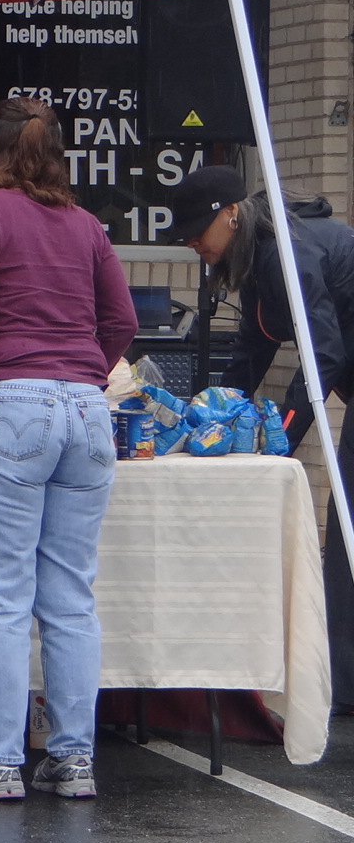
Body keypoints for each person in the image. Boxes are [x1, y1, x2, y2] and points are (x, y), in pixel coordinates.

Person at [0, 97, 136, 801]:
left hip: (10, 401)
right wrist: (83, 372)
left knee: (2, 597)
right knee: (72, 597)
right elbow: (122, 318)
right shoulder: (85, 225)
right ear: (57, 155)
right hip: (87, 409)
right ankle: (73, 759)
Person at [169, 164, 354, 710]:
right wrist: (207, 419)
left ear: (230, 214)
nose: (191, 242)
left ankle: (342, 684)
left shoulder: (289, 255)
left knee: (346, 517)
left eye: (195, 230)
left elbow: (323, 355)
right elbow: (252, 351)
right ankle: (343, 677)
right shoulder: (256, 257)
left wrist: (280, 442)